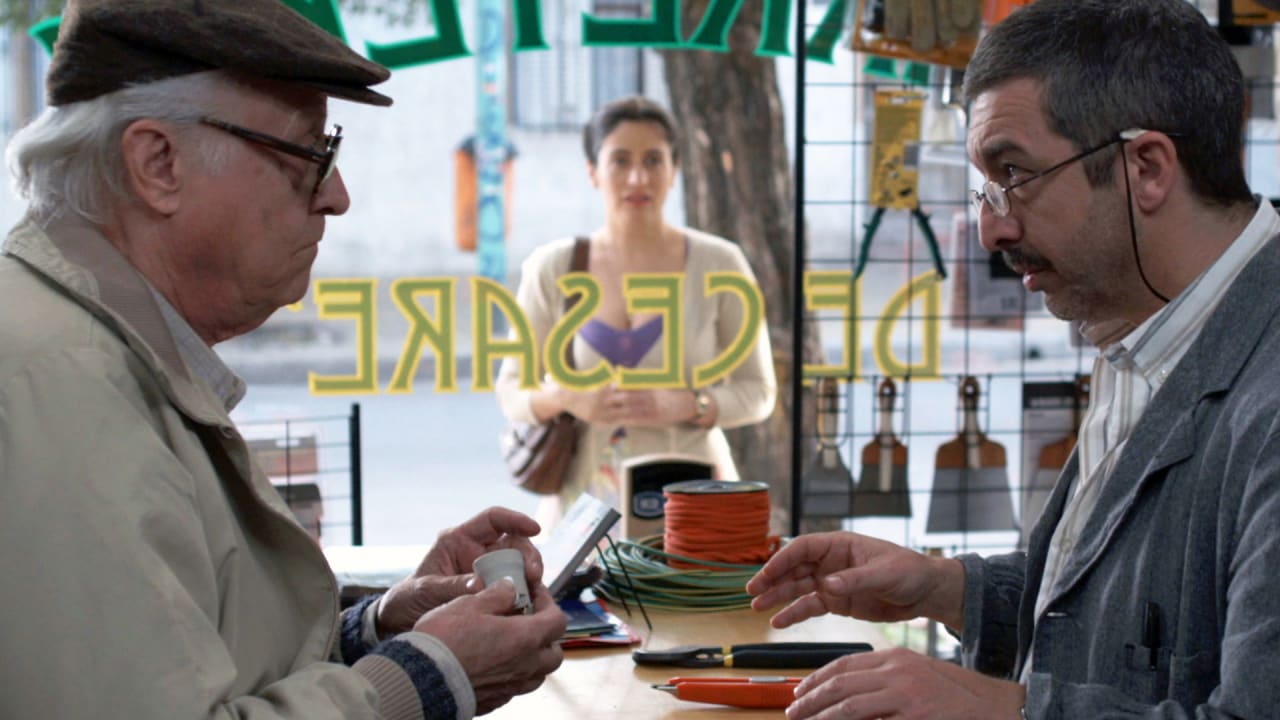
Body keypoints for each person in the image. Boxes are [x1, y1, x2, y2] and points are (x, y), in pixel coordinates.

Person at [0, 1, 566, 718]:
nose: (337, 195)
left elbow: (194, 656)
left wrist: (377, 631)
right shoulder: (58, 387)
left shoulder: (99, 350)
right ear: (158, 164)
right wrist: (427, 676)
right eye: (310, 154)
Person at [747, 1, 1280, 717]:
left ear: (1146, 168)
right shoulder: (1137, 330)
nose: (990, 228)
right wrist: (946, 589)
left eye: (1015, 174)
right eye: (984, 187)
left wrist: (1001, 711)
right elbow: (1118, 610)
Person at [496, 96, 777, 523]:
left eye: (653, 161)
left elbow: (759, 392)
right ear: (593, 172)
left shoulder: (720, 263)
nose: (637, 177)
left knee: (691, 589)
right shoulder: (552, 267)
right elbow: (512, 392)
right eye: (620, 161)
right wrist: (566, 396)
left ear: (675, 171)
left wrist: (688, 405)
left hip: (694, 494)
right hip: (583, 504)